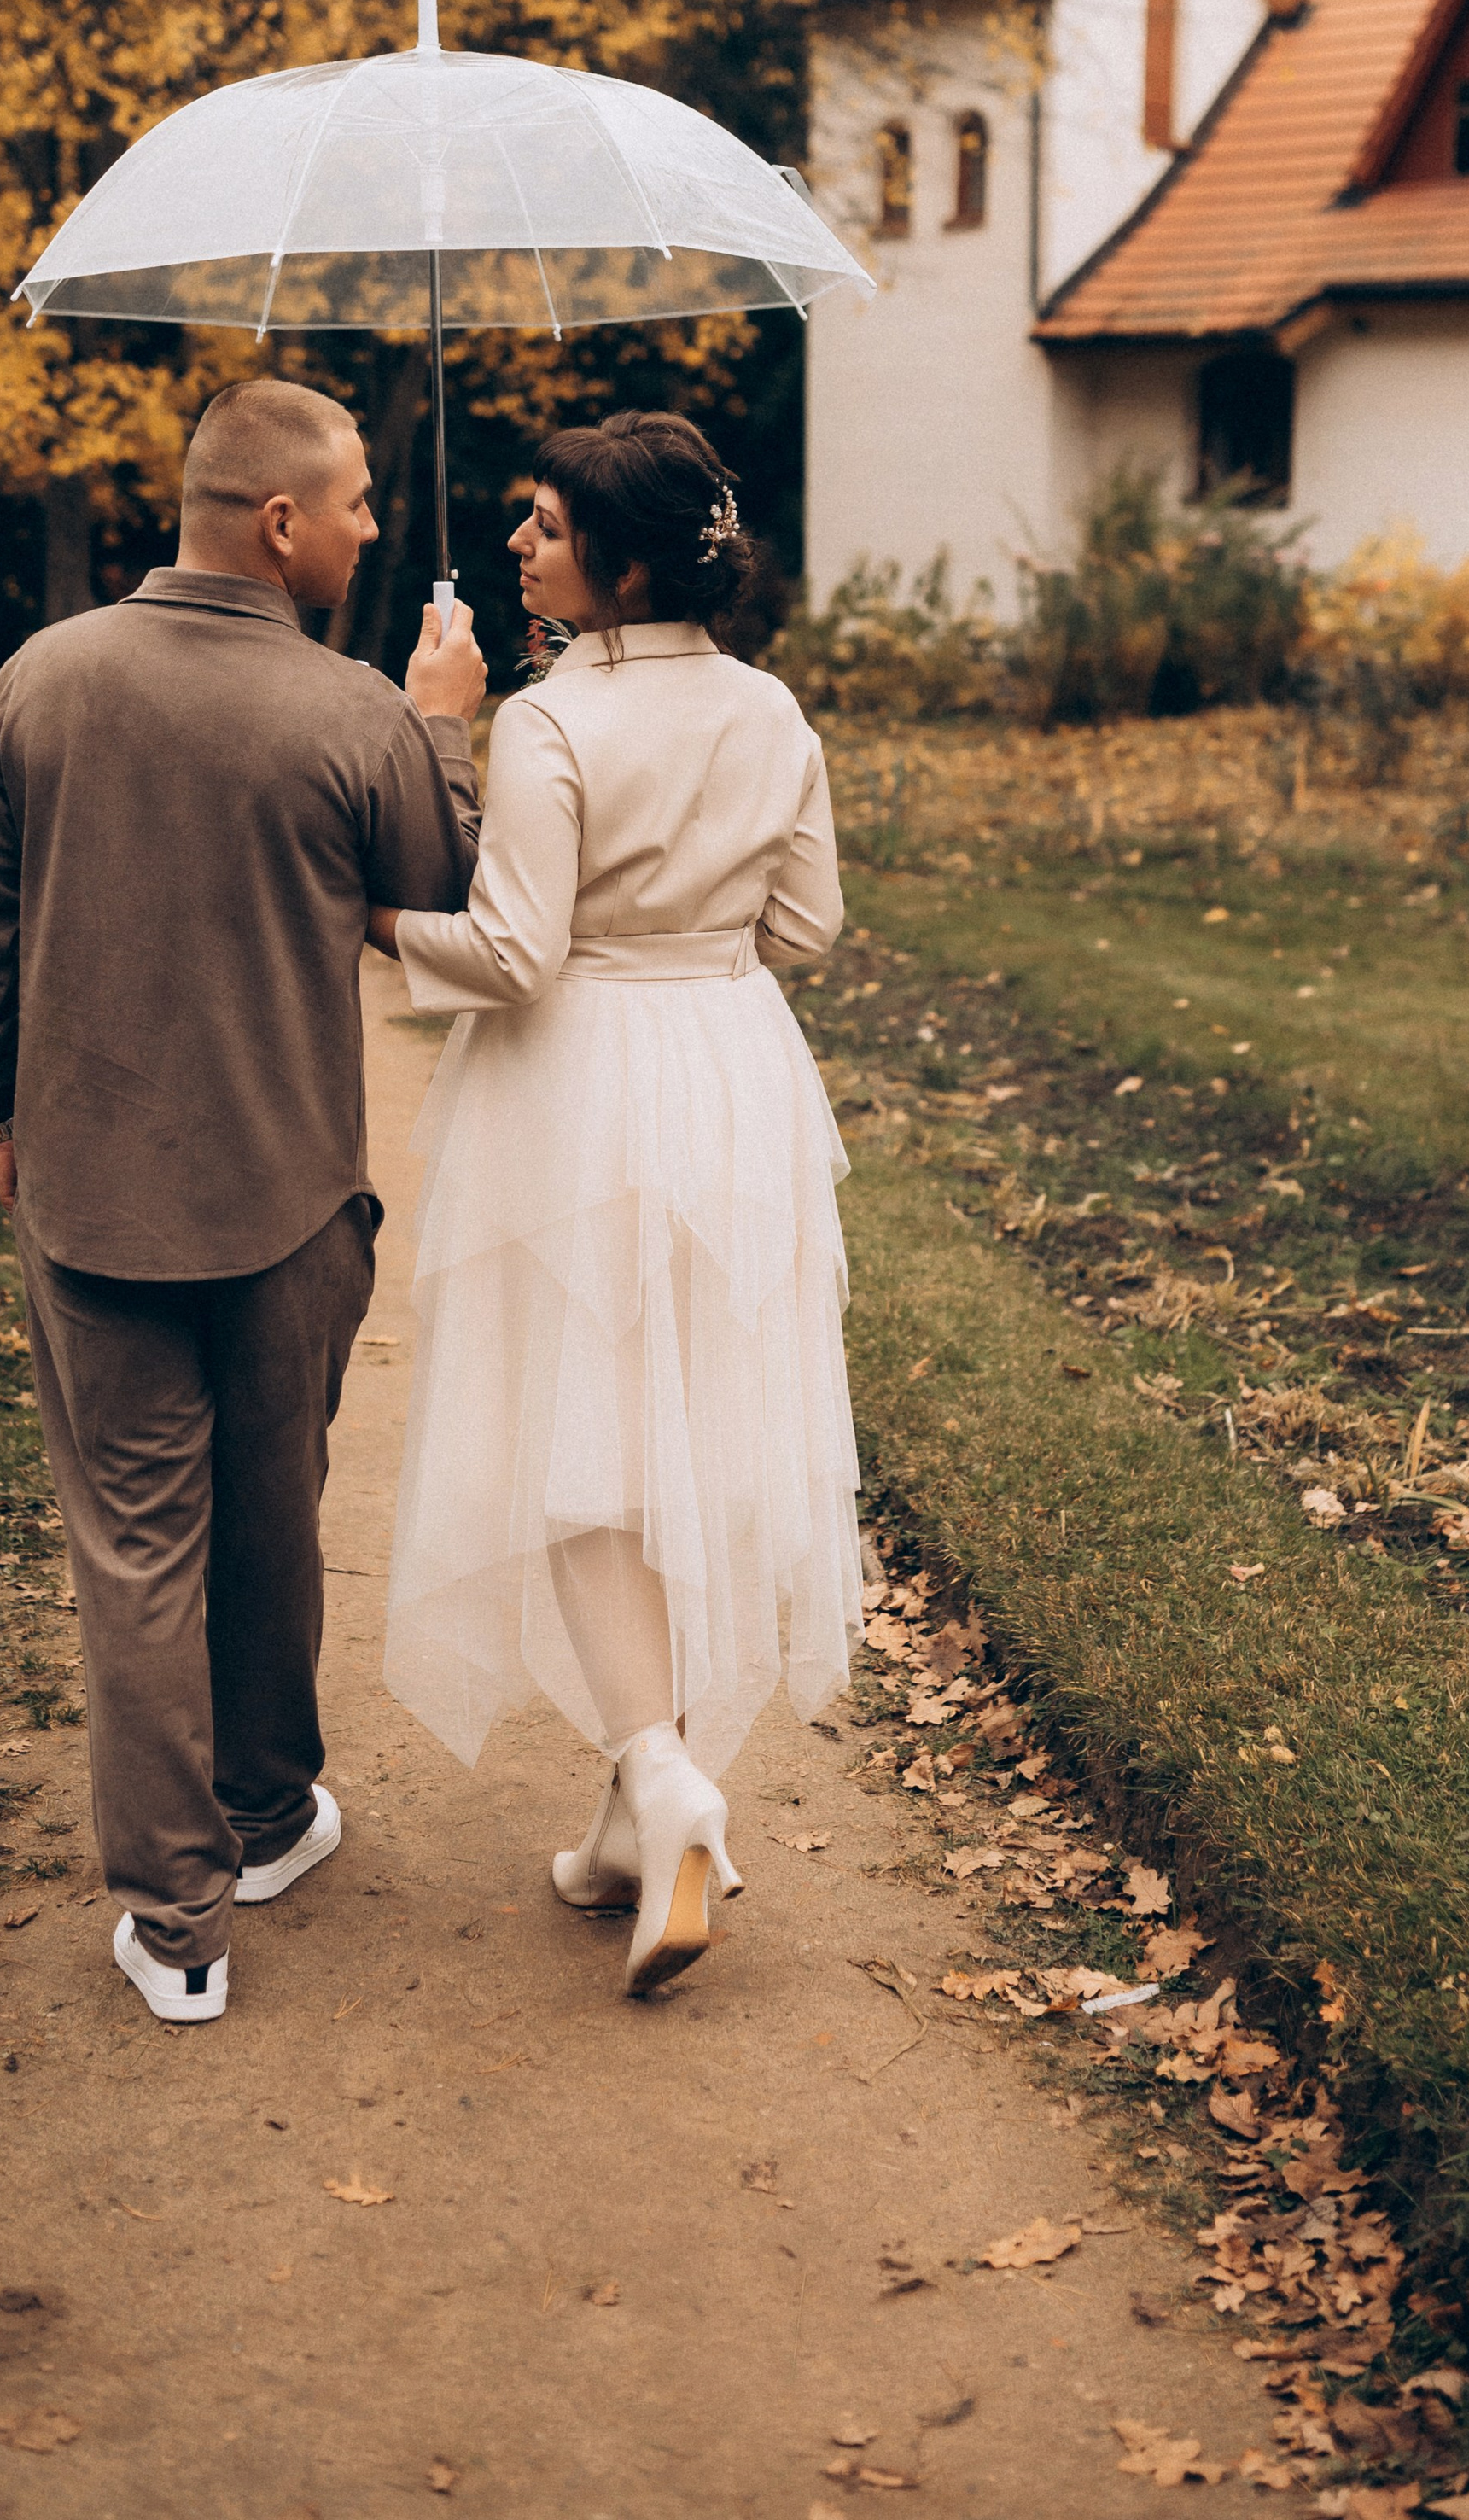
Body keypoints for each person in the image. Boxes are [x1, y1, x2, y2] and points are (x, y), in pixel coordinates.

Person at [0, 378, 487, 2025]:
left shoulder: (44, 677)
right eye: (360, 501)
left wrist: (1, 1104)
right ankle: (258, 1818)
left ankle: (178, 1925)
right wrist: (440, 712)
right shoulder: (353, 713)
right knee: (268, 1511)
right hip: (290, 1196)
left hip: (90, 1199)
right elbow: (444, 889)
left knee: (136, 1546)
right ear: (280, 523)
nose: (376, 526)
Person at [374, 408, 860, 1998]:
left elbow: (513, 952)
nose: (519, 544)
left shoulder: (543, 723)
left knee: (582, 1439)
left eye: (547, 526)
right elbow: (811, 917)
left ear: (623, 560)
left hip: (582, 1081)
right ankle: (621, 1835)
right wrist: (693, 949)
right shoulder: (775, 708)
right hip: (732, 1066)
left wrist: (372, 912)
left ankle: (663, 1775)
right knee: (682, 1419)